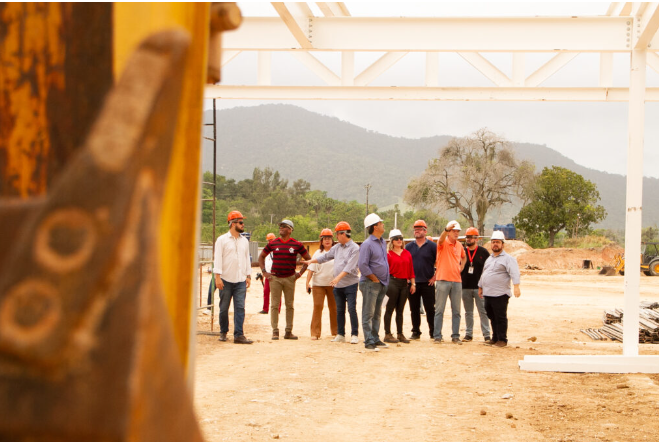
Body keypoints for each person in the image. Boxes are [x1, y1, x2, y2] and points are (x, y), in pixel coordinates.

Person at [302, 221, 360, 344]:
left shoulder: (355, 248)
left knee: (351, 309)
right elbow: (325, 257)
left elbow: (349, 267)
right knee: (339, 310)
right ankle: (340, 334)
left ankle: (354, 334)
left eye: (336, 235)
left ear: (343, 234)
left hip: (349, 284)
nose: (335, 238)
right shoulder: (337, 248)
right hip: (335, 285)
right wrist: (311, 261)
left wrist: (337, 278)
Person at [259, 219, 311, 340]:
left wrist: (299, 274)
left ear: (290, 230)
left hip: (289, 278)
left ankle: (288, 331)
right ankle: (275, 331)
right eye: (280, 226)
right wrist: (264, 272)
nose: (281, 228)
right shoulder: (273, 243)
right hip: (275, 278)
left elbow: (308, 259)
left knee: (289, 305)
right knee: (274, 305)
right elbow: (261, 257)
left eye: (284, 226)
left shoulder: (296, 244)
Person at [213, 210, 253, 344]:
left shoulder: (244, 242)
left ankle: (239, 335)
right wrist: (217, 278)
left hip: (240, 280)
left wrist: (248, 275)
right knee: (224, 308)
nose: (243, 225)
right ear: (232, 224)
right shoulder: (222, 240)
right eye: (240, 222)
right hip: (225, 280)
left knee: (240, 308)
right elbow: (217, 259)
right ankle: (223, 331)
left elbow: (247, 258)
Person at [478, 230, 521, 348]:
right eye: (493, 242)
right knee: (491, 315)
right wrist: (480, 286)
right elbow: (484, 273)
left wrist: (516, 286)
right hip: (488, 293)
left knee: (500, 316)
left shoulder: (508, 259)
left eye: (497, 242)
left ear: (503, 244)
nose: (495, 244)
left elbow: (515, 272)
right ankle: (495, 337)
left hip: (500, 294)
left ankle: (502, 339)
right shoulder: (489, 258)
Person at [358, 213, 389, 352]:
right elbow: (363, 265)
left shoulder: (383, 242)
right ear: (375, 227)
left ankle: (375, 338)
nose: (383, 224)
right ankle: (369, 341)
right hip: (371, 283)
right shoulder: (367, 244)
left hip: (381, 283)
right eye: (380, 223)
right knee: (368, 313)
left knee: (377, 313)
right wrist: (374, 278)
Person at [434, 220, 466, 344]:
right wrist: (446, 229)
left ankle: (455, 336)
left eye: (457, 231)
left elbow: (464, 257)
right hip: (443, 280)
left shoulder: (459, 245)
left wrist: (462, 266)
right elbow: (441, 239)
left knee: (456, 310)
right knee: (439, 310)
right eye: (454, 231)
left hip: (457, 281)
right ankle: (437, 335)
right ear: (448, 232)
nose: (456, 233)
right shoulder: (443, 243)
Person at [405, 221, 437, 340]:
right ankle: (416, 332)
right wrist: (407, 278)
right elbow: (405, 263)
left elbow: (439, 261)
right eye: (415, 229)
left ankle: (433, 332)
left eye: (419, 229)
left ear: (425, 231)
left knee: (430, 309)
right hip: (413, 283)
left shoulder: (433, 246)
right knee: (414, 309)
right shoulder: (408, 247)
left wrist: (435, 276)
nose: (417, 231)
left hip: (428, 283)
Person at [383, 229, 415, 344]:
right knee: (389, 309)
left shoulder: (407, 253)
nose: (399, 240)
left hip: (404, 283)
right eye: (396, 238)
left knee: (400, 310)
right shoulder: (388, 254)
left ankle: (400, 333)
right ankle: (387, 333)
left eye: (400, 238)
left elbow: (411, 269)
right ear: (392, 240)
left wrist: (413, 283)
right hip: (392, 281)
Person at [305, 229, 338, 340]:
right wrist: (307, 282)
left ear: (332, 240)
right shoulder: (317, 253)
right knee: (318, 307)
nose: (327, 240)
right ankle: (315, 333)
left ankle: (336, 332)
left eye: (329, 238)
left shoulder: (336, 252)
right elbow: (311, 269)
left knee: (334, 308)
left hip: (333, 284)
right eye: (325, 238)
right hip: (318, 284)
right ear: (321, 240)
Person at [461, 227, 492, 342]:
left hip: (480, 287)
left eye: (470, 237)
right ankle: (468, 334)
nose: (468, 239)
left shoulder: (483, 252)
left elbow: (489, 269)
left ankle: (487, 334)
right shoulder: (462, 251)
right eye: (467, 237)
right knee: (468, 312)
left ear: (477, 238)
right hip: (465, 286)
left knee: (483, 311)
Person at [259, 233, 281, 315]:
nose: (269, 242)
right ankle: (265, 309)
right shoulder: (266, 251)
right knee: (266, 292)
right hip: (267, 275)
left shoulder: (278, 250)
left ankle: (277, 309)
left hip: (276, 274)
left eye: (271, 240)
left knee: (277, 293)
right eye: (268, 240)